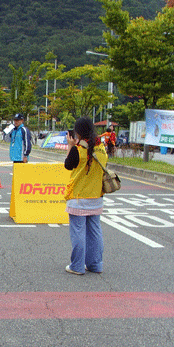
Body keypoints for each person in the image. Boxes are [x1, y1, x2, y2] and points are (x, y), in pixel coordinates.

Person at [63, 117, 108, 275]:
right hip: (96, 197)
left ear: (78, 132)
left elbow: (68, 165)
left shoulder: (78, 150)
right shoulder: (101, 148)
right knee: (95, 232)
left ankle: (77, 266)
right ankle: (96, 264)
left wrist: (70, 146)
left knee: (78, 233)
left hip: (78, 197)